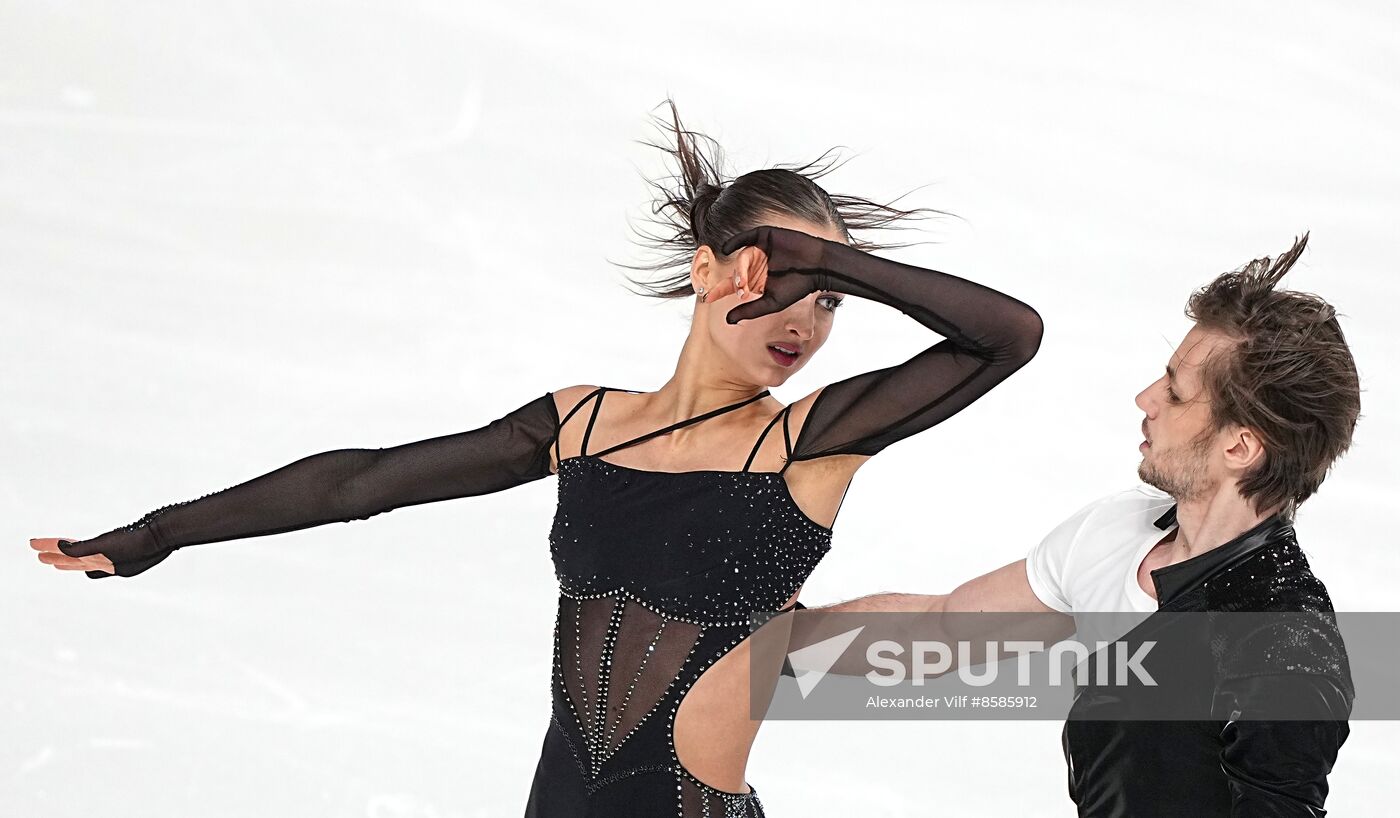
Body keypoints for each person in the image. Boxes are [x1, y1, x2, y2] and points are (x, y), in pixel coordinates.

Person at [30, 99, 1044, 817]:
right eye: (775, 282)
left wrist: (830, 259)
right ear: (706, 272)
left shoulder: (803, 445)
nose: (803, 319)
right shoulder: (585, 422)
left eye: (825, 301)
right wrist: (161, 533)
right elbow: (360, 480)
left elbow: (1006, 335)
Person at [826, 234, 1358, 816]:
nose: (1145, 398)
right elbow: (941, 631)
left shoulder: (1283, 641)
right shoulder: (1120, 529)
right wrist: (768, 641)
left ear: (1240, 446)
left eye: (1176, 395)